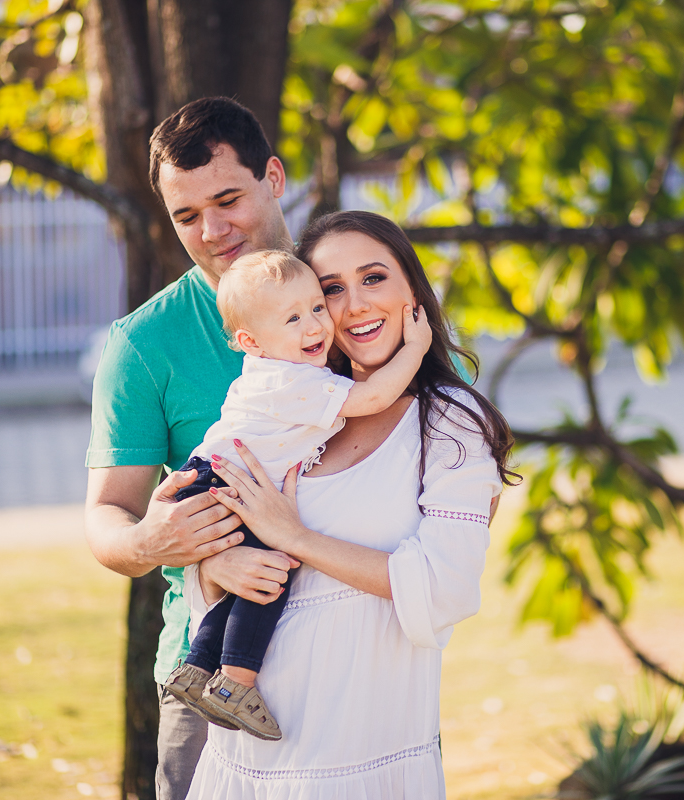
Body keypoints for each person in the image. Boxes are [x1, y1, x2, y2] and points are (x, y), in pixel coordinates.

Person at [183, 210, 520, 799]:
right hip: (242, 763)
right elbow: (220, 545)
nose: (354, 305)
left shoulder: (448, 424)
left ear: (413, 290)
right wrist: (213, 565)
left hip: (356, 758)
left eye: (374, 278)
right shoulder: (297, 412)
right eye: (330, 290)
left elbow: (445, 587)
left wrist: (297, 539)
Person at [84, 97, 303, 800]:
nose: (212, 231)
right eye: (186, 216)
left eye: (228, 199)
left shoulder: (349, 296)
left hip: (351, 655)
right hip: (209, 676)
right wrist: (156, 539)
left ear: (273, 175)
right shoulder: (143, 345)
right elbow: (107, 521)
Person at [162, 248, 432, 741]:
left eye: (314, 307)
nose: (315, 326)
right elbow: (372, 399)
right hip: (225, 486)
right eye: (292, 318)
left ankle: (197, 667)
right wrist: (415, 348)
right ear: (250, 342)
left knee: (255, 574)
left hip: (217, 480)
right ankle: (237, 683)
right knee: (273, 573)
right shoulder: (292, 380)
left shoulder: (277, 372)